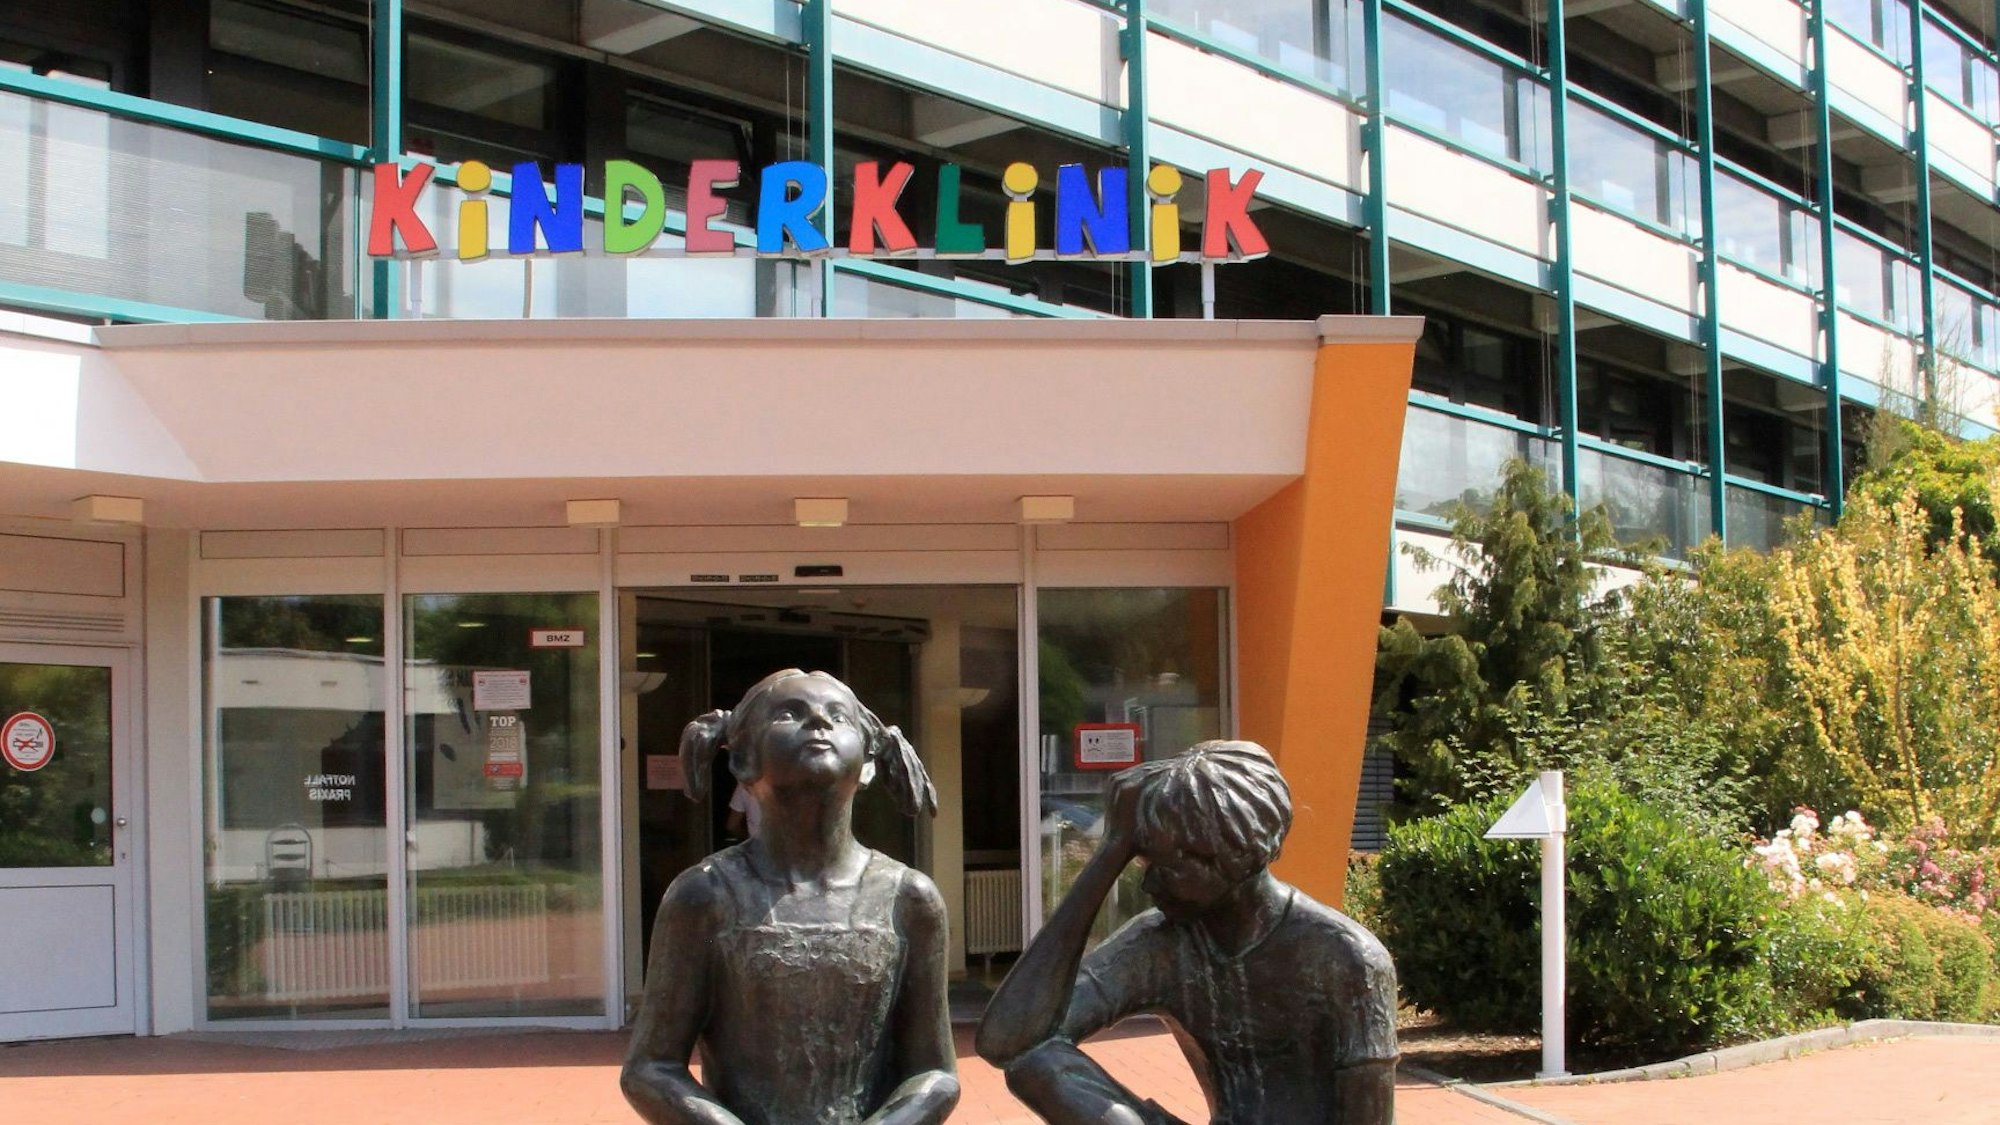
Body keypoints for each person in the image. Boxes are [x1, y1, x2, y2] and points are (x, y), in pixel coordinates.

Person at [975, 741, 1397, 1125]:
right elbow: (1007, 1042)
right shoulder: (1161, 944)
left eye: (1166, 866)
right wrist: (1111, 850)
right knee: (1036, 1063)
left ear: (1233, 857)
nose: (1149, 885)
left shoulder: (1346, 958)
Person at [622, 670, 959, 1125]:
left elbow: (935, 1072)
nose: (818, 721)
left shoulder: (908, 898)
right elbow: (650, 1068)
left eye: (837, 716)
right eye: (788, 714)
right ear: (742, 761)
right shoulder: (704, 895)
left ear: (868, 764)